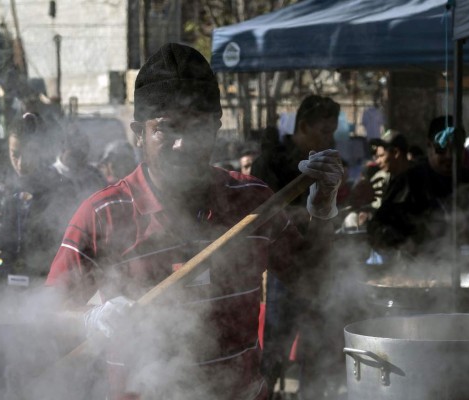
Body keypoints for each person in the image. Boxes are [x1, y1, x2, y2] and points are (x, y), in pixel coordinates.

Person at [46, 43, 342, 400]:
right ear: (138, 132)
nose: (183, 144)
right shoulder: (104, 214)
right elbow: (47, 313)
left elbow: (313, 281)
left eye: (198, 127)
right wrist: (89, 319)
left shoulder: (252, 202)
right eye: (166, 129)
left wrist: (323, 205)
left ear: (216, 127)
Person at [250, 94, 341, 399]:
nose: (330, 139)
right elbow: (259, 217)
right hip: (281, 271)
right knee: (274, 346)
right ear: (303, 126)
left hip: (316, 266)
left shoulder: (325, 165)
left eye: (333, 131)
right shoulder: (270, 161)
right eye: (324, 131)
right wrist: (310, 211)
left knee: (315, 347)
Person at [0, 113, 76, 289]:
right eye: (15, 154)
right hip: (2, 281)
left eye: (29, 154)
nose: (21, 163)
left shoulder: (59, 187)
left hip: (43, 283)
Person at [368, 116, 469, 265]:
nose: (449, 156)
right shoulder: (408, 182)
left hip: (468, 272)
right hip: (418, 273)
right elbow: (377, 230)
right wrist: (402, 240)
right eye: (441, 149)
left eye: (456, 149)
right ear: (429, 146)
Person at [52, 121, 107, 205]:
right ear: (62, 149)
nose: (79, 155)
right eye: (74, 149)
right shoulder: (49, 176)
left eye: (83, 149)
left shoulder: (95, 176)